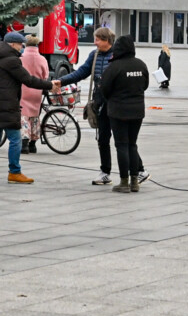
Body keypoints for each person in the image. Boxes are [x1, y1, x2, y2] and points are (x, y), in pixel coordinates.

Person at [0, 31, 55, 184]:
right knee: (16, 139)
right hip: (7, 105)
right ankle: (14, 172)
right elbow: (28, 80)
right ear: (12, 44)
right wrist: (50, 85)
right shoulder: (11, 60)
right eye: (20, 44)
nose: (22, 47)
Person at [56, 27, 118, 184]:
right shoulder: (94, 55)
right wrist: (62, 81)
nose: (94, 42)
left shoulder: (117, 55)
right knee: (102, 139)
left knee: (122, 140)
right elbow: (82, 72)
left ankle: (138, 170)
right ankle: (105, 172)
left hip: (116, 103)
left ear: (106, 40)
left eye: (97, 39)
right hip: (100, 102)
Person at [101, 34, 150, 193]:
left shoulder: (114, 67)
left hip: (118, 111)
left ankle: (124, 182)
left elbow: (104, 89)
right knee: (132, 144)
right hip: (137, 111)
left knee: (121, 145)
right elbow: (145, 85)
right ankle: (134, 181)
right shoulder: (141, 65)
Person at [20, 31, 50, 153]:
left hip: (23, 90)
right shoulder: (42, 59)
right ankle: (33, 144)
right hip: (37, 91)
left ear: (25, 45)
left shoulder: (21, 58)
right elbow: (45, 76)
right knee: (35, 116)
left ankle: (24, 143)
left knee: (24, 116)